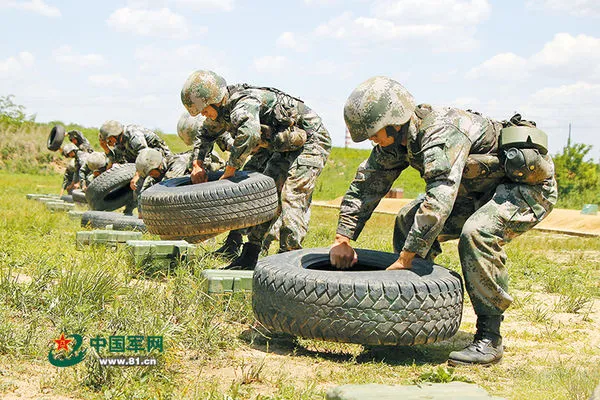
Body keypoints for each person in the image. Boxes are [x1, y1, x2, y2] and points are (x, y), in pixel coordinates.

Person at [329, 76, 557, 366]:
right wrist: (343, 238)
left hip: (526, 189)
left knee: (478, 233)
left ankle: (490, 337)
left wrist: (406, 258)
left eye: (373, 132)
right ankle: (410, 320)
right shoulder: (395, 141)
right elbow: (366, 185)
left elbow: (439, 200)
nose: (372, 140)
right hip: (478, 191)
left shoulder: (440, 133)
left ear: (393, 121)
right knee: (406, 219)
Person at [181, 70, 331, 269]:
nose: (203, 115)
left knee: (291, 195)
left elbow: (249, 133)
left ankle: (289, 260)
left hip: (311, 140)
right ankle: (250, 255)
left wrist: (230, 170)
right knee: (266, 194)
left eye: (204, 109)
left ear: (215, 99)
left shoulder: (243, 103)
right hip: (282, 145)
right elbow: (205, 135)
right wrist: (197, 164)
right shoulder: (220, 111)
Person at [98, 120, 172, 192]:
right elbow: (118, 160)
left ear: (114, 136)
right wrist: (106, 148)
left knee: (141, 185)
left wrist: (137, 175)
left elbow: (145, 157)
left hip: (159, 160)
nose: (108, 142)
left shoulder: (134, 135)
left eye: (108, 140)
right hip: (143, 163)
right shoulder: (119, 142)